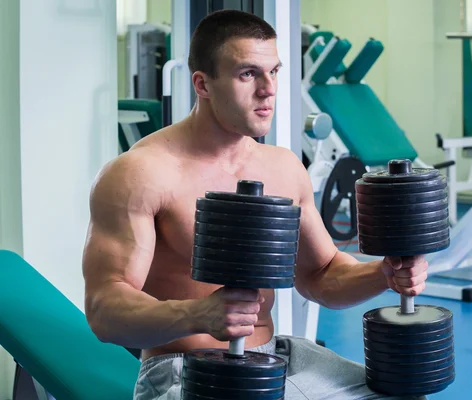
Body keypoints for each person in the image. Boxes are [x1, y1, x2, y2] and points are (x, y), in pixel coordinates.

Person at [82, 9, 429, 400]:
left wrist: (385, 273)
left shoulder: (283, 167)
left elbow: (322, 274)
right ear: (203, 84)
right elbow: (103, 309)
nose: (268, 89)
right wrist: (198, 315)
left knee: (401, 391)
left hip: (275, 360)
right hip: (186, 370)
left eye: (274, 72)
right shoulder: (140, 174)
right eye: (248, 74)